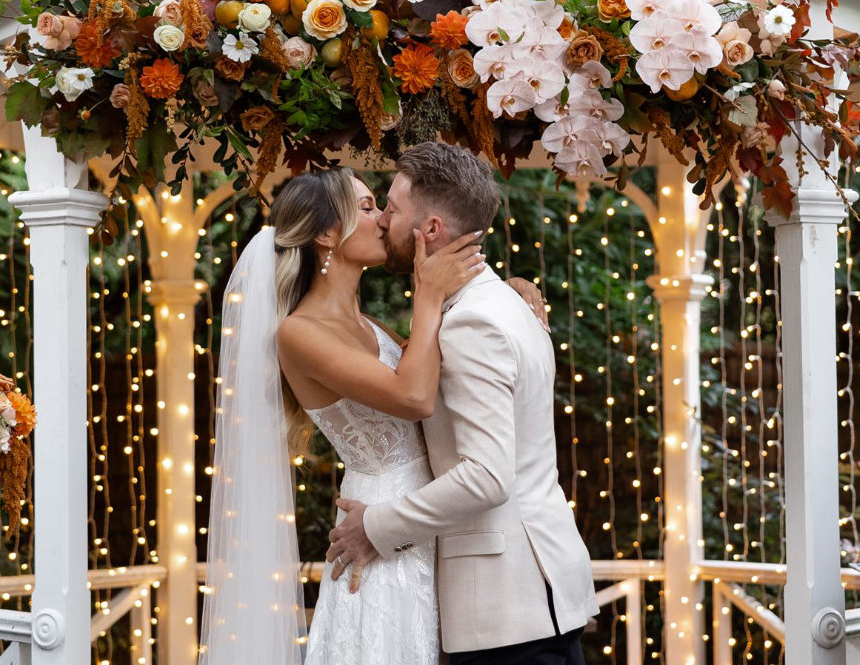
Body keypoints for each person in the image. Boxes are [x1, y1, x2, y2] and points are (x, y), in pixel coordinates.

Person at [198, 165, 548, 665]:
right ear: (325, 234)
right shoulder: (298, 334)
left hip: (420, 526)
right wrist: (428, 293)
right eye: (366, 207)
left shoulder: (369, 324)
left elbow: (441, 368)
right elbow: (414, 397)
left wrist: (505, 290)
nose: (384, 219)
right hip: (375, 534)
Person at [326, 142, 599, 664]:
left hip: (509, 606)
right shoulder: (494, 303)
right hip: (521, 602)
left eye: (392, 207)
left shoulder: (473, 322)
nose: (383, 219)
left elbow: (487, 476)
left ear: (430, 229)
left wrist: (376, 527)